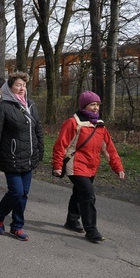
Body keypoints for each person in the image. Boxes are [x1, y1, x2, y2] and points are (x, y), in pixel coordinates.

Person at [52, 91, 125, 243]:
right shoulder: (73, 122)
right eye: (92, 104)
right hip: (75, 165)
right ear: (84, 106)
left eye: (97, 104)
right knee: (88, 195)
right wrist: (57, 165)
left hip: (91, 167)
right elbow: (60, 145)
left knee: (79, 193)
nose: (95, 107)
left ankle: (72, 221)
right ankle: (91, 230)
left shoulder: (100, 125)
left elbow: (109, 150)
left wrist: (118, 167)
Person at [0, 71, 44, 241]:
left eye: (24, 85)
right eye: (18, 85)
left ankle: (17, 227)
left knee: (24, 194)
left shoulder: (31, 105)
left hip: (29, 157)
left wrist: (40, 150)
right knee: (16, 192)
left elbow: (38, 128)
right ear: (9, 87)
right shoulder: (2, 107)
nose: (22, 88)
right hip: (10, 157)